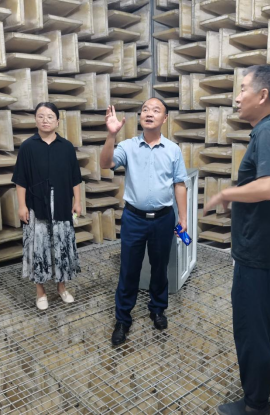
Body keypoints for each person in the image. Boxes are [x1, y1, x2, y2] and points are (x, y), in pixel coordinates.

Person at [204, 65, 270, 415]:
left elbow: (268, 186)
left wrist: (226, 194)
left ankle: (255, 404)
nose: (237, 97)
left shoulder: (268, 132)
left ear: (263, 95)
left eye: (243, 89)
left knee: (251, 327)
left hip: (257, 251)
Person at [100, 98, 188, 347]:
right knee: (129, 269)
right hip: (134, 219)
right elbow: (105, 164)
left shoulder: (173, 150)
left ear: (165, 118)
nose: (149, 113)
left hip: (163, 219)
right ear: (140, 116)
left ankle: (157, 309)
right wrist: (111, 135)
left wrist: (183, 217)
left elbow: (179, 184)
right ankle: (122, 319)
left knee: (160, 267)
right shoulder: (128, 146)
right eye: (145, 110)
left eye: (156, 110)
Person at [12, 102, 82, 311]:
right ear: (35, 120)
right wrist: (22, 206)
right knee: (38, 248)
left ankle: (62, 287)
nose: (45, 120)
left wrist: (77, 201)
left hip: (62, 204)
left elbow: (75, 178)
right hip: (36, 206)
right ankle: (40, 292)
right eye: (41, 116)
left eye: (50, 116)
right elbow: (20, 179)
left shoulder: (66, 147)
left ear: (57, 121)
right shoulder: (27, 147)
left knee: (62, 246)